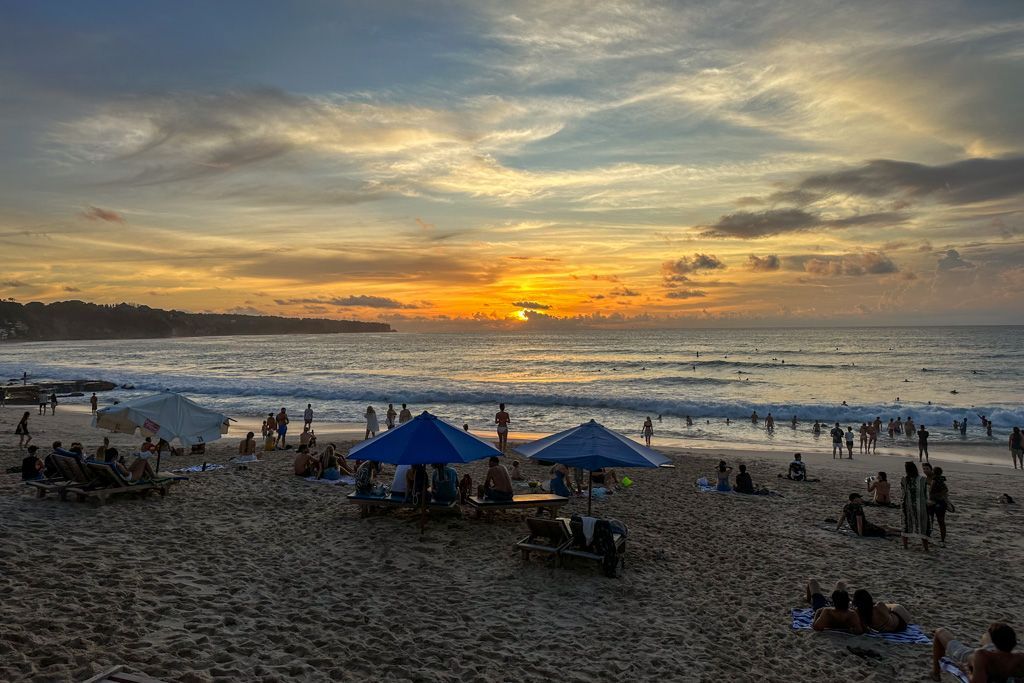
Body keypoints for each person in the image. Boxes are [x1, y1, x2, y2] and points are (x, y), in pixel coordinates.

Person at [932, 623, 1024, 683]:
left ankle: (936, 673)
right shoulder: (1020, 658)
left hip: (971, 656)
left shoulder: (982, 655)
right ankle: (936, 674)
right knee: (988, 640)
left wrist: (966, 670)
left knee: (940, 631)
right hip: (983, 653)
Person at [901, 461, 930, 552]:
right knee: (923, 526)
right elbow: (926, 494)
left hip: (907, 505)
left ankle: (905, 546)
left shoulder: (904, 479)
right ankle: (926, 548)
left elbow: (903, 493)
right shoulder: (922, 479)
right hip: (921, 505)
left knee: (906, 525)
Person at [928, 466, 950, 545]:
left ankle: (928, 536)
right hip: (941, 502)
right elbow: (946, 490)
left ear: (933, 472)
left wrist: (935, 495)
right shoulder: (942, 480)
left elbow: (931, 492)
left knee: (930, 520)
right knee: (941, 522)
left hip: (934, 502)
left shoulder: (934, 480)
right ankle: (943, 539)